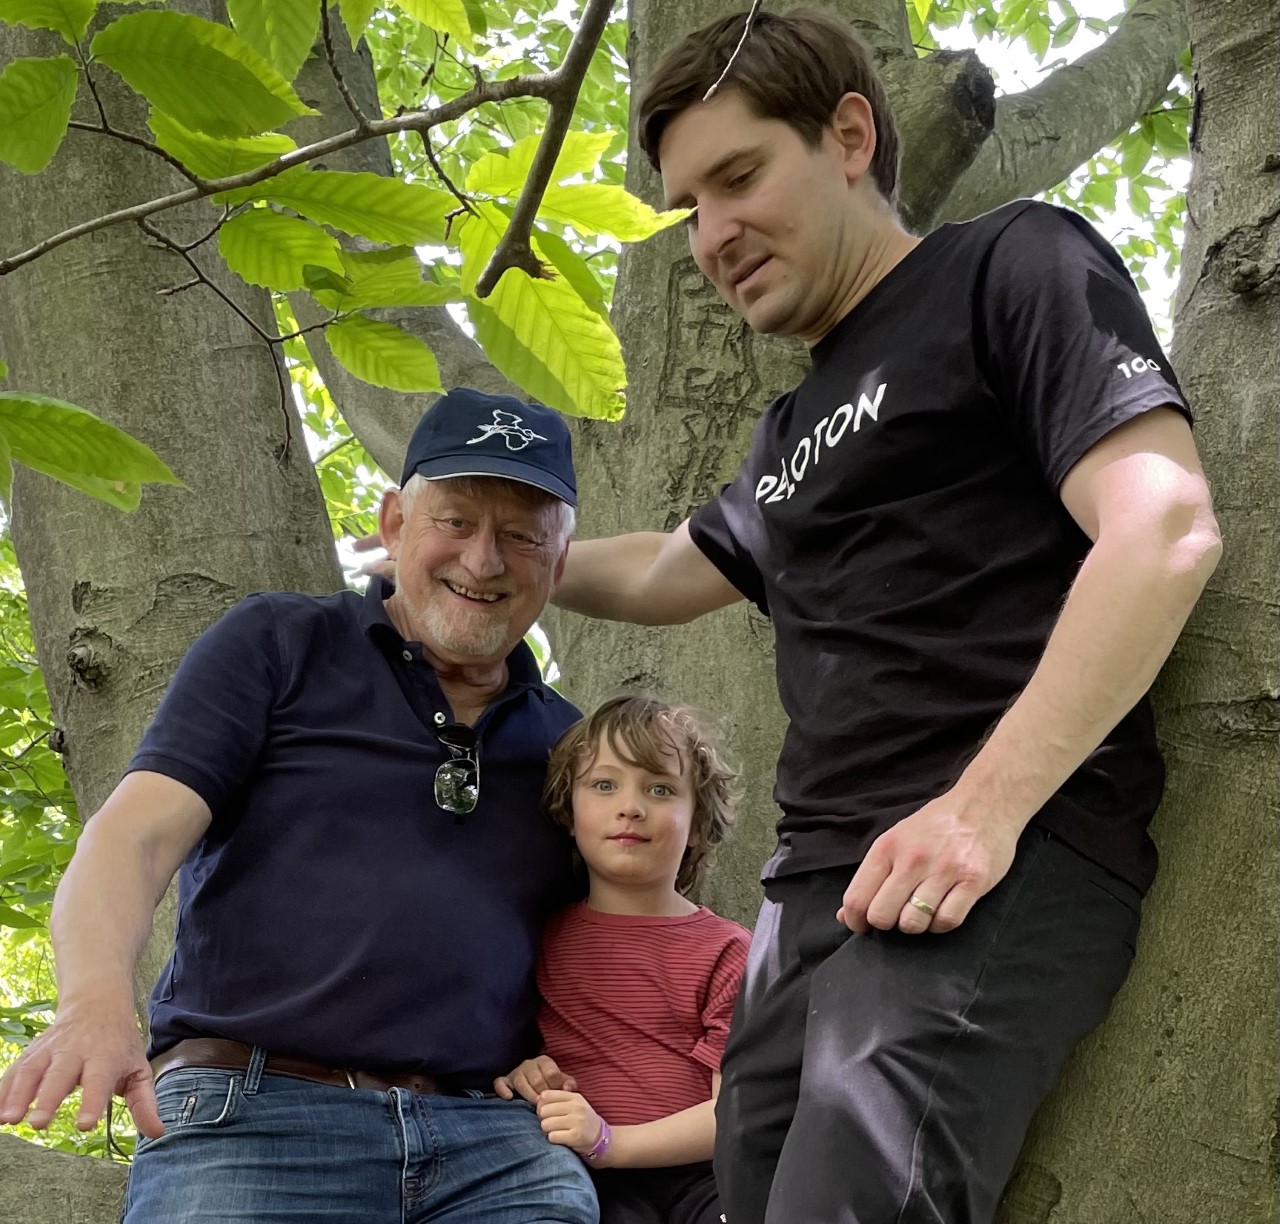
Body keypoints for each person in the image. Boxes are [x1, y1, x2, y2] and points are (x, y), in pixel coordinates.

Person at [551, 9, 1223, 1224]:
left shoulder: (1009, 262)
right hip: (810, 899)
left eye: (737, 178)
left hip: (986, 856)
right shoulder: (785, 432)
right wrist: (502, 553)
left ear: (850, 136)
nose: (710, 235)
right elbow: (662, 571)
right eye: (689, 207)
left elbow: (1162, 526)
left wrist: (981, 810)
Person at [0, 388, 599, 1224]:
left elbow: (621, 946)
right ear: (394, 524)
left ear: (558, 566)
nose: (483, 559)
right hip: (254, 1116)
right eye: (456, 521)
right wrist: (92, 1004)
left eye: (522, 536)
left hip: (495, 1146)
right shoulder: (280, 642)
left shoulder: (579, 749)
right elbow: (134, 837)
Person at [495, 694, 750, 1224]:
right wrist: (527, 1074)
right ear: (568, 811)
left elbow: (737, 1112)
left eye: (660, 789)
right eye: (604, 785)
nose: (631, 806)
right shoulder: (535, 939)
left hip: (703, 1176)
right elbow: (518, 1056)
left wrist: (611, 1142)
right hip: (583, 1181)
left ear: (698, 823)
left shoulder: (728, 951)